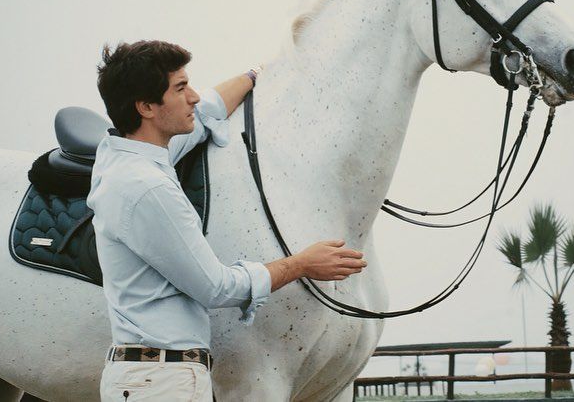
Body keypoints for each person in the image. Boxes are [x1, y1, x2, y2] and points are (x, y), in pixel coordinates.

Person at [88, 40, 366, 401]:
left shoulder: (125, 154)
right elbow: (215, 288)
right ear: (146, 108)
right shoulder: (147, 188)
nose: (194, 97)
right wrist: (301, 264)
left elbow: (208, 112)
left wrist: (257, 75)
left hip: (155, 375)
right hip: (162, 382)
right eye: (180, 88)